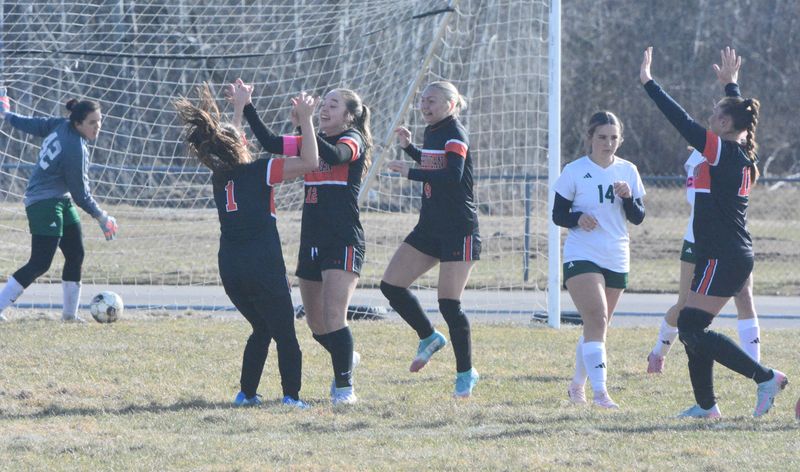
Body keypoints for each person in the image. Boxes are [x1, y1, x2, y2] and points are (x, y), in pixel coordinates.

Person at [640, 46, 787, 418]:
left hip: (724, 254)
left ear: (724, 125)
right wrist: (732, 87)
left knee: (691, 326)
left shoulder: (722, 151)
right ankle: (706, 407)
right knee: (692, 325)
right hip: (724, 253)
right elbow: (741, 121)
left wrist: (649, 83)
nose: (709, 120)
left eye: (715, 116)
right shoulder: (742, 152)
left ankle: (765, 377)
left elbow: (682, 121)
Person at [174, 83, 319, 409]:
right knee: (285, 334)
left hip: (231, 267)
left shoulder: (219, 175)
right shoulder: (261, 170)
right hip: (262, 264)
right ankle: (291, 398)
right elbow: (311, 161)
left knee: (261, 329)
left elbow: (229, 140)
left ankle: (246, 394)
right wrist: (307, 119)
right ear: (239, 145)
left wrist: (241, 107)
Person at [232, 80, 372, 405]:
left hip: (343, 240)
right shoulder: (311, 139)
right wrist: (247, 104)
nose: (325, 107)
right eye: (324, 103)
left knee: (335, 316)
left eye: (334, 105)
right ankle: (344, 356)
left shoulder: (353, 139)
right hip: (312, 240)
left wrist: (306, 124)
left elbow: (336, 155)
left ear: (350, 117)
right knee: (316, 323)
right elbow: (268, 141)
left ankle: (344, 388)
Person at [381, 81, 480, 398]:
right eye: (422, 101)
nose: (425, 106)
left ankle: (466, 373)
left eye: (432, 101)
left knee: (449, 305)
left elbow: (452, 175)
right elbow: (434, 162)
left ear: (451, 105)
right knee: (391, 285)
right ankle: (429, 337)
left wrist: (409, 170)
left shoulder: (455, 133)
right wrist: (411, 149)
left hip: (458, 230)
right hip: (429, 227)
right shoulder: (433, 131)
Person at [552, 111, 646, 409]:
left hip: (616, 253)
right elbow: (558, 215)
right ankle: (600, 393)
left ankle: (577, 386)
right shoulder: (575, 170)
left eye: (614, 137)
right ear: (590, 138)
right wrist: (578, 218)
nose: (608, 143)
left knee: (598, 325)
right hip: (583, 253)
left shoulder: (628, 170)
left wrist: (629, 198)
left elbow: (638, 217)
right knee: (596, 318)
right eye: (602, 137)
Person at [0, 95, 118, 322]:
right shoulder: (75, 147)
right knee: (40, 262)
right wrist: (102, 217)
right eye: (92, 122)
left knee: (75, 254)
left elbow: (32, 124)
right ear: (78, 124)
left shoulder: (61, 124)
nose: (98, 127)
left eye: (100, 121)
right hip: (43, 202)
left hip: (59, 200)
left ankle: (69, 316)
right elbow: (81, 194)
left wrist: (8, 115)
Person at [647, 148, 761, 374]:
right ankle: (658, 352)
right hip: (698, 241)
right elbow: (695, 199)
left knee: (745, 297)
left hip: (732, 242)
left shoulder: (742, 156)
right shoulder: (699, 157)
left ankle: (755, 366)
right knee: (684, 305)